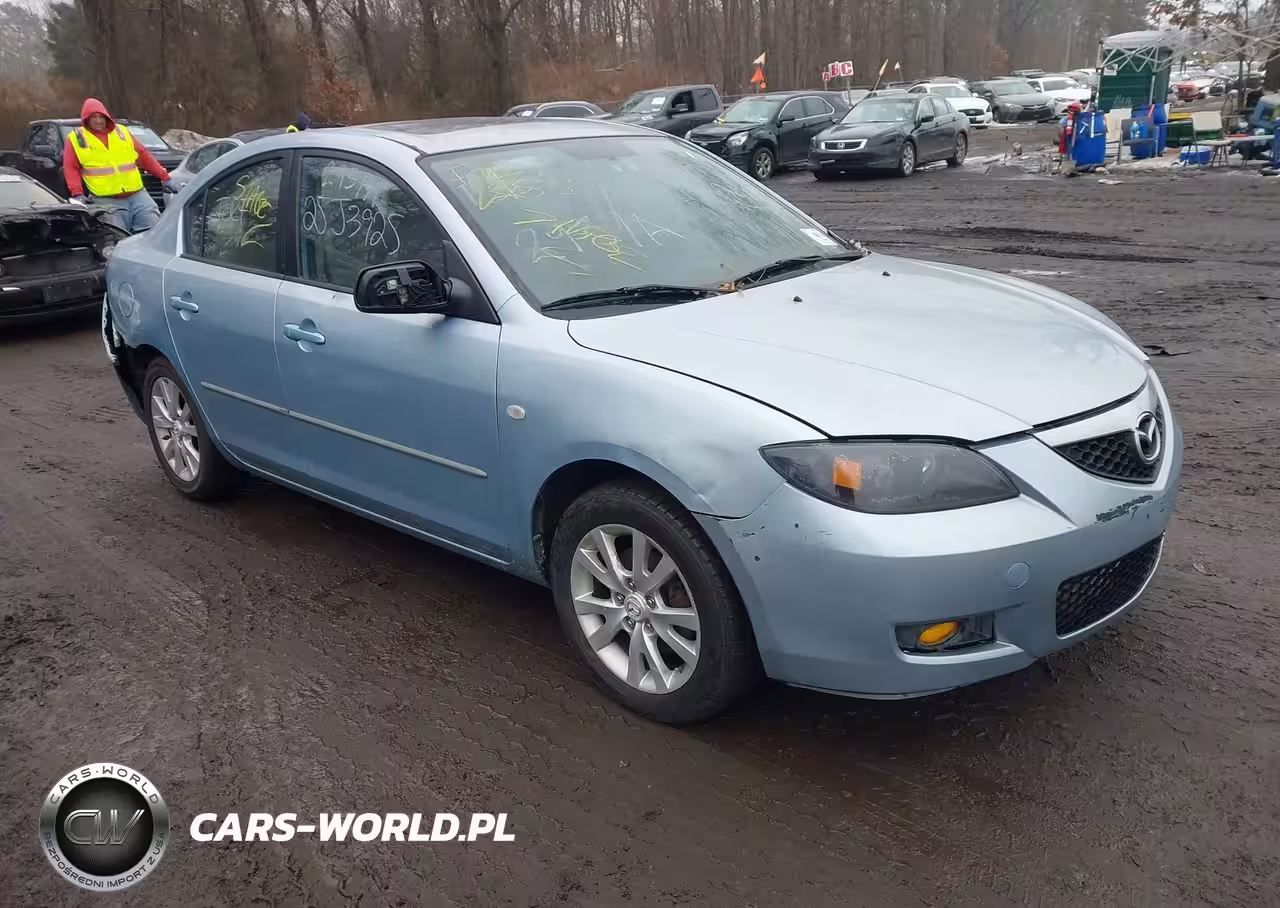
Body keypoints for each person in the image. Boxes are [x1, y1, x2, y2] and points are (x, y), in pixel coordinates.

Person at [63, 98, 176, 233]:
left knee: (152, 230)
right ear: (87, 119)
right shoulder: (76, 139)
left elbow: (143, 156)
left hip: (137, 194)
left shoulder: (122, 132)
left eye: (101, 117)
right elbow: (71, 167)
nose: (99, 121)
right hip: (105, 199)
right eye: (94, 117)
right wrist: (77, 193)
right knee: (117, 235)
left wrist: (164, 177)